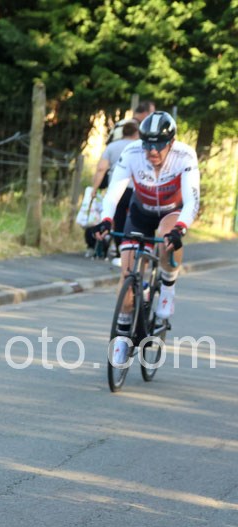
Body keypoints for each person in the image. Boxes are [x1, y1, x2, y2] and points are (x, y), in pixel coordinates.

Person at [95, 111, 200, 364]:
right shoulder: (131, 152)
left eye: (159, 145)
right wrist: (106, 219)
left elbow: (192, 199)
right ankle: (122, 337)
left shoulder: (184, 155)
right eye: (147, 144)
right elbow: (113, 192)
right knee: (127, 275)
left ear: (171, 143)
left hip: (171, 212)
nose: (152, 151)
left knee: (166, 235)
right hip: (140, 213)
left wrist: (181, 228)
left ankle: (168, 287)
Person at [90, 119, 140, 264]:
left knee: (118, 220)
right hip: (135, 189)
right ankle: (135, 250)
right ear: (136, 133)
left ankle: (120, 250)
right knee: (135, 220)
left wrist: (94, 189)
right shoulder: (139, 147)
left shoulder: (112, 147)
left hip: (116, 188)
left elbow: (101, 168)